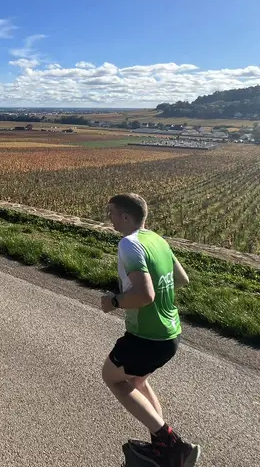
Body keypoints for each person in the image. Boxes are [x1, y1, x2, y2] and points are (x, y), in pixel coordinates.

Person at [101, 193, 200, 467]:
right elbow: (181, 279)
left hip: (146, 337)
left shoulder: (129, 245)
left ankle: (173, 445)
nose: (108, 217)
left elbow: (145, 295)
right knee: (137, 381)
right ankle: (162, 448)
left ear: (126, 216)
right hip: (171, 333)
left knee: (111, 376)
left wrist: (114, 301)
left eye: (112, 212)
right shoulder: (157, 239)